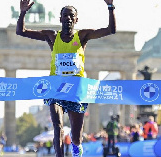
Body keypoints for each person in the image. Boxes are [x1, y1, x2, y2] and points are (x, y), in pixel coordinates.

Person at [16, 0, 116, 156]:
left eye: (71, 16)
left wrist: (110, 7)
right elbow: (21, 31)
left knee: (76, 137)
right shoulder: (51, 36)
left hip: (77, 88)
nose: (68, 18)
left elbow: (111, 30)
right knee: (58, 126)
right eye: (65, 15)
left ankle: (76, 144)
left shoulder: (82, 36)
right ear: (60, 19)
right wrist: (22, 12)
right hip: (56, 86)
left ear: (76, 20)